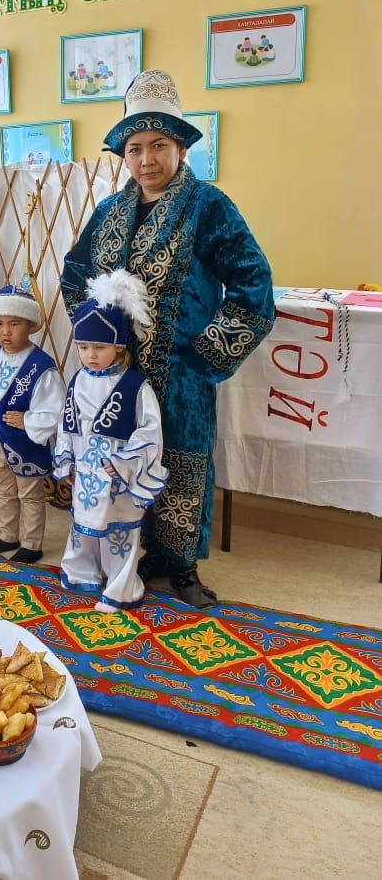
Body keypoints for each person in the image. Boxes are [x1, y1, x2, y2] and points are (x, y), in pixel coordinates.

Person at [61, 69, 274, 608]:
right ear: (124, 155)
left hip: (181, 372)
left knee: (180, 460)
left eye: (159, 145)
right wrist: (95, 339)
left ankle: (180, 564)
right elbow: (75, 272)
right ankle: (130, 550)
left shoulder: (209, 206)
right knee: (120, 458)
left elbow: (253, 281)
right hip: (115, 375)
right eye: (135, 148)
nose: (147, 159)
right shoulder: (109, 212)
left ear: (180, 148)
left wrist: (208, 352)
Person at [54, 270, 168, 612]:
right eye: (83, 347)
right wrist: (66, 459)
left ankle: (121, 588)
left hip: (118, 476)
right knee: (83, 528)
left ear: (119, 347)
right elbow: (67, 424)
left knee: (119, 533)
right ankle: (80, 573)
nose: (90, 354)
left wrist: (123, 463)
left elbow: (149, 432)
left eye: (99, 347)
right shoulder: (77, 380)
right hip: (86, 473)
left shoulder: (135, 386)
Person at [0, 286, 65, 565]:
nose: (5, 331)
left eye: (14, 324)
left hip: (25, 442)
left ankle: (32, 544)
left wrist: (27, 420)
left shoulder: (42, 365)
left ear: (30, 325)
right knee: (4, 491)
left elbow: (55, 409)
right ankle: (8, 536)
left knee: (29, 494)